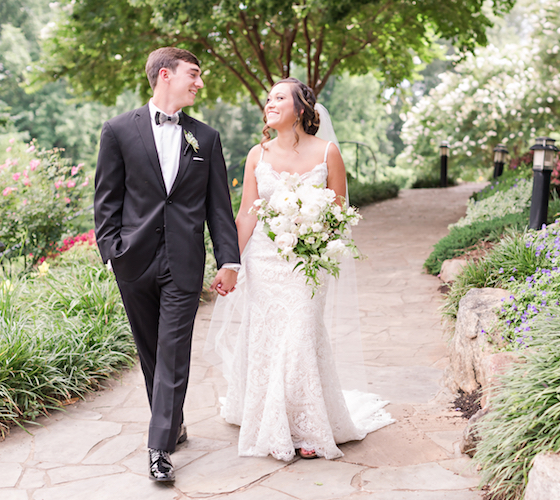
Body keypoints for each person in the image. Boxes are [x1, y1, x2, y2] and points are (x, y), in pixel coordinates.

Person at [205, 78, 392, 461]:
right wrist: (231, 265)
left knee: (302, 333)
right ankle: (276, 420)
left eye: (279, 98)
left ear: (301, 109)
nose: (269, 104)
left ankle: (308, 425)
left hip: (308, 262)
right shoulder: (258, 154)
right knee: (270, 336)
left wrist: (311, 233)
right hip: (264, 260)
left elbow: (339, 213)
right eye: (269, 98)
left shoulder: (328, 153)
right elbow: (245, 215)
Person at [94, 47, 241, 482]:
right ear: (165, 75)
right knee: (151, 353)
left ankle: (158, 448)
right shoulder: (119, 130)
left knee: (174, 352)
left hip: (183, 262)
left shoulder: (206, 138)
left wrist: (228, 260)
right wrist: (112, 252)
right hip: (133, 261)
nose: (199, 82)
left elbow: (219, 206)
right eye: (193, 74)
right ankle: (172, 424)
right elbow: (106, 200)